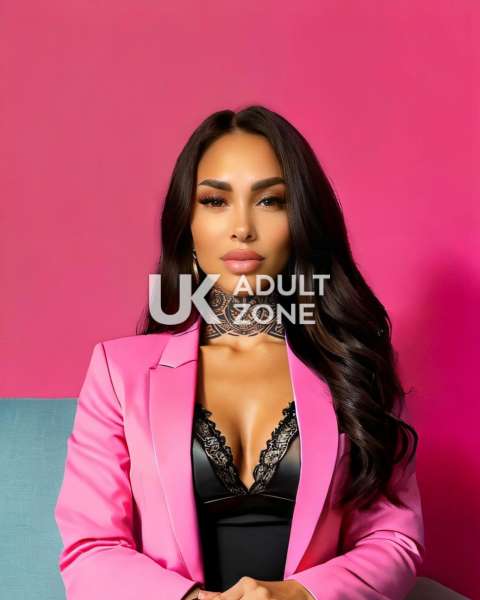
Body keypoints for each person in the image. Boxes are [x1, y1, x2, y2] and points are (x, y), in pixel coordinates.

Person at [54, 105, 425, 600]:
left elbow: (393, 539)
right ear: (187, 225)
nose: (242, 228)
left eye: (270, 201)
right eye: (215, 201)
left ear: (301, 222)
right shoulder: (119, 374)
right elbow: (90, 548)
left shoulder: (354, 364)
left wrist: (296, 596)